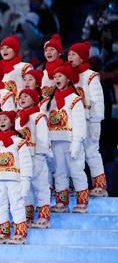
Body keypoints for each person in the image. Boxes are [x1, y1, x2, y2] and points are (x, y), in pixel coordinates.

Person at [42, 64, 89, 214]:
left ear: (68, 79)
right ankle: (62, 202)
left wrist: (77, 142)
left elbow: (80, 123)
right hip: (55, 141)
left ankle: (82, 202)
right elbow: (45, 120)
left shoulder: (75, 99)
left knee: (76, 170)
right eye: (55, 77)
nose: (57, 79)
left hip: (70, 141)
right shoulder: (51, 100)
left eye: (60, 76)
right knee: (59, 171)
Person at [0, 111, 32, 244]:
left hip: (14, 179)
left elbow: (26, 162)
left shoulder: (19, 142)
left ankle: (20, 232)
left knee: (16, 204)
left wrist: (26, 180)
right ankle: (3, 231)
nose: (2, 122)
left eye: (5, 119)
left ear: (12, 122)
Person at [68, 42, 107, 197]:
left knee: (91, 152)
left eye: (73, 54)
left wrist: (94, 121)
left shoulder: (91, 76)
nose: (70, 57)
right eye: (69, 54)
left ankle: (100, 186)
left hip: (90, 121)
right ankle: (74, 186)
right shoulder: (68, 77)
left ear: (82, 57)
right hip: (74, 123)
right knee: (74, 154)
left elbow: (97, 101)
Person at [16, 88, 51, 229]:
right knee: (26, 187)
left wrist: (41, 155)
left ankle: (44, 216)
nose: (22, 99)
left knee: (40, 185)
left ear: (34, 99)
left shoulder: (38, 116)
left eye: (26, 96)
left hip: (36, 156)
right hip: (23, 157)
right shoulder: (18, 119)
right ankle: (28, 215)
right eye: (20, 97)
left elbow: (43, 138)